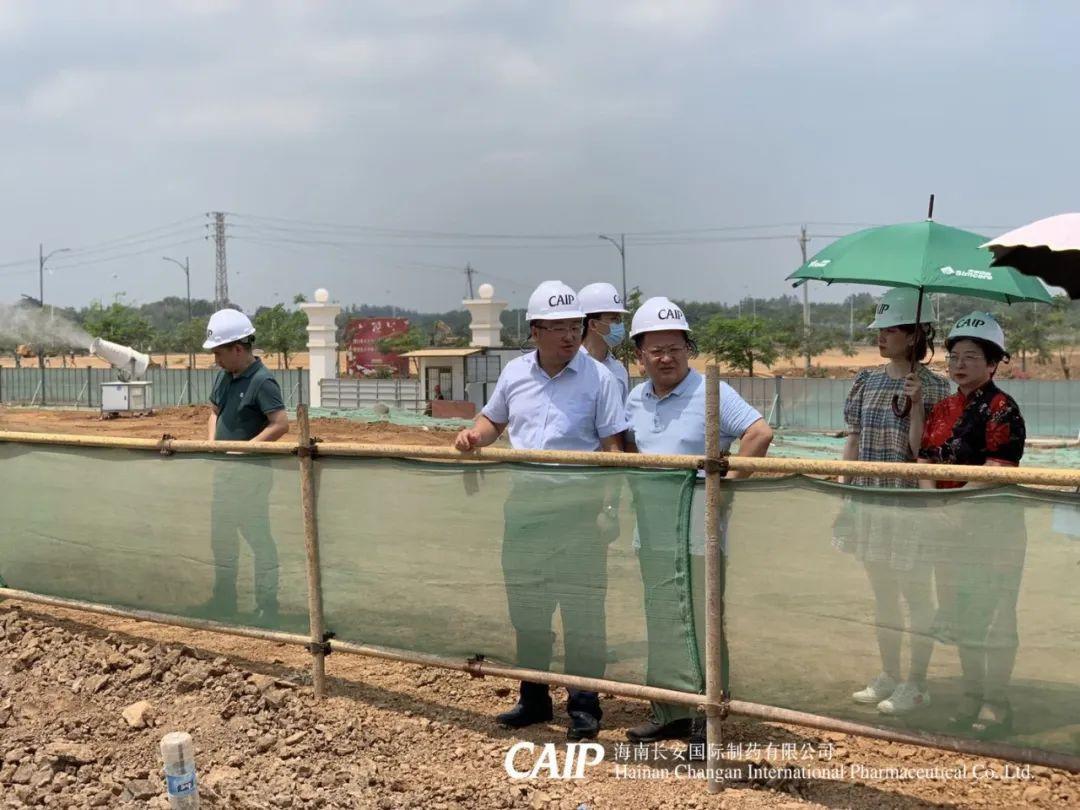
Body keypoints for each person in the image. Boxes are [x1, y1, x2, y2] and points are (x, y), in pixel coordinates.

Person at [454, 280, 629, 741]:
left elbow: (614, 448)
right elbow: (493, 420)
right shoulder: (515, 374)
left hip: (579, 511)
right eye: (558, 328)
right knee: (528, 606)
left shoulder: (600, 379)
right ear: (535, 331)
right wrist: (474, 436)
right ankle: (533, 698)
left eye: (575, 326)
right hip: (527, 509)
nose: (570, 336)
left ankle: (585, 706)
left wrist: (610, 508)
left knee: (582, 610)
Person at [623, 297, 773, 745]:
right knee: (662, 618)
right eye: (656, 350)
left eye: (676, 348)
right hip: (651, 531)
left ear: (689, 350)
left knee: (702, 621)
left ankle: (705, 721)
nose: (666, 358)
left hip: (698, 533)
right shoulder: (635, 398)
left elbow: (759, 432)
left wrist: (727, 487)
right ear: (640, 355)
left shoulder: (710, 391)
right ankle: (668, 710)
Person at [907, 311, 1026, 739]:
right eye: (954, 356)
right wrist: (932, 504)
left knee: (997, 615)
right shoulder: (942, 408)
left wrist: (952, 508)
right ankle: (971, 695)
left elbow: (999, 467)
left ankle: (997, 703)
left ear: (992, 363)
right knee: (963, 615)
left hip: (994, 529)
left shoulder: (1003, 408)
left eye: (971, 356)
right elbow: (924, 459)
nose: (959, 364)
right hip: (946, 527)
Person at [836, 287, 951, 715]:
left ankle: (916, 683)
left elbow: (923, 452)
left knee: (916, 595)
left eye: (890, 329)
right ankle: (888, 673)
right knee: (883, 594)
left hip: (911, 507)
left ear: (914, 335)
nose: (881, 336)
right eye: (880, 329)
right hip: (870, 502)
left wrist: (918, 405)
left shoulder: (935, 388)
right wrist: (845, 491)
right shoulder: (865, 381)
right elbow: (853, 440)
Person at [200, 308, 289, 625]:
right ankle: (224, 601)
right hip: (225, 475)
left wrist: (244, 449)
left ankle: (267, 606)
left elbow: (280, 424)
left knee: (257, 539)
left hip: (251, 476)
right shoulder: (225, 377)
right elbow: (214, 412)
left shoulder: (263, 381)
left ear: (238, 348)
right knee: (222, 539)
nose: (216, 360)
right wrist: (213, 444)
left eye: (219, 353)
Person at [578, 282, 630, 401]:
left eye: (619, 319)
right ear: (593, 324)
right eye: (614, 319)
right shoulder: (570, 365)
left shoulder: (619, 370)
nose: (620, 325)